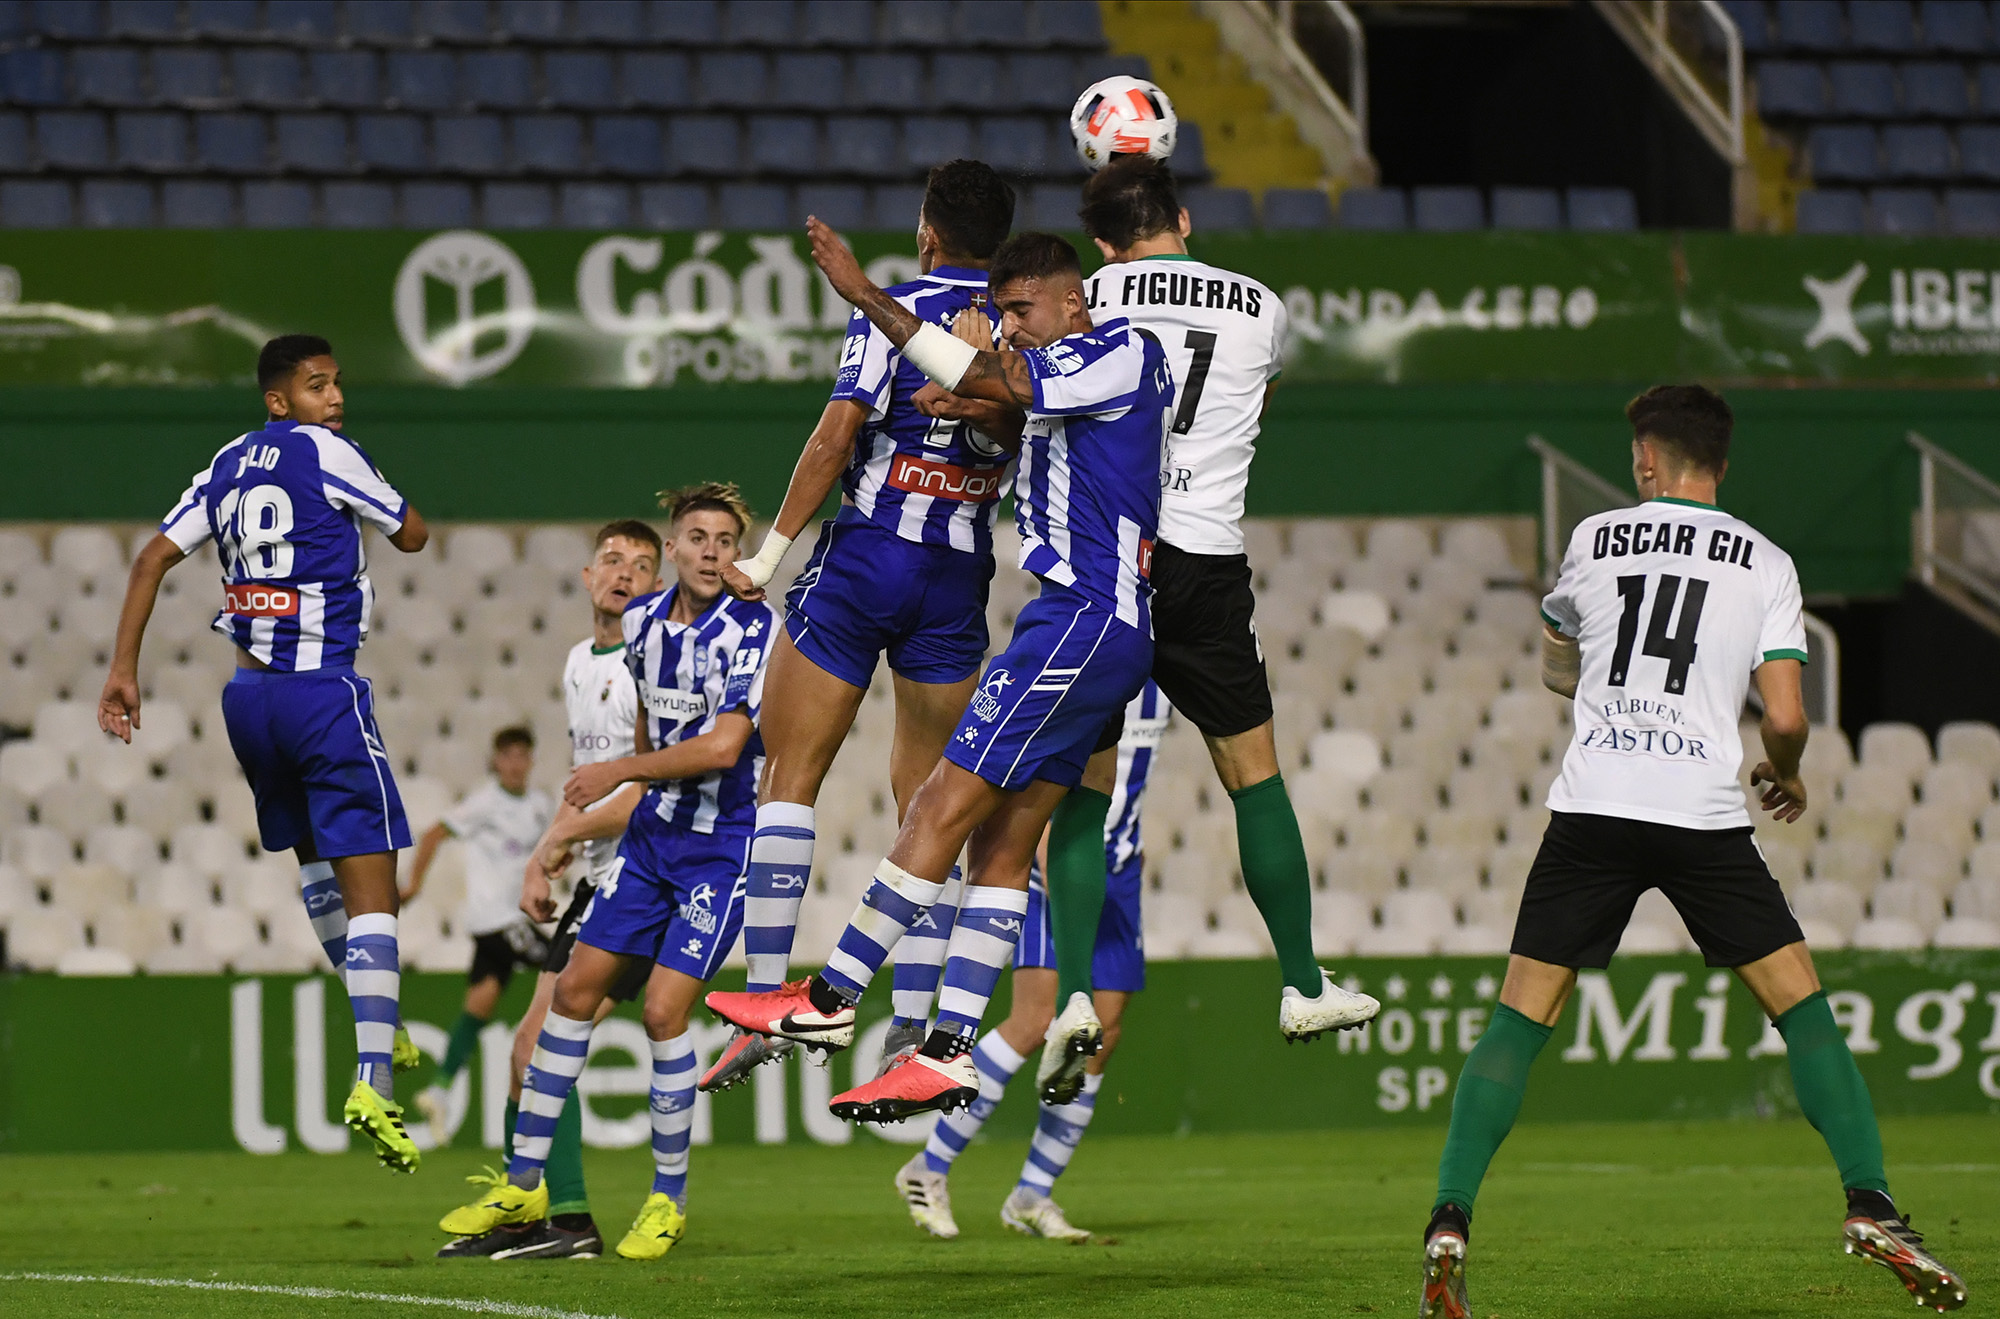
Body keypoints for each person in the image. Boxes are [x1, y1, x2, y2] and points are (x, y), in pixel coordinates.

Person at [1417, 386, 1967, 1319]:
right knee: (1802, 1007)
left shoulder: (1595, 536)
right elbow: (1786, 715)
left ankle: (1450, 1219)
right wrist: (1783, 770)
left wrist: (1586, 691)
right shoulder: (1767, 562)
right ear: (1721, 460)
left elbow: (1559, 657)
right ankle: (1871, 1201)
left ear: (1646, 462)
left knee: (1519, 1017)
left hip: (1596, 803)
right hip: (1703, 812)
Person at [705, 227, 1171, 1124]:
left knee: (936, 801)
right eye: (1002, 313)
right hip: (1094, 632)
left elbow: (1006, 380)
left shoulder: (1115, 346)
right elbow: (1004, 395)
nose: (1012, 327)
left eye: (1022, 310)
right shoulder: (1076, 367)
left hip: (1077, 625)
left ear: (1073, 299)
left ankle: (828, 1000)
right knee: (1001, 844)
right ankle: (945, 1052)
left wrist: (862, 291)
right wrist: (978, 402)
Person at [1038, 156, 1375, 1071]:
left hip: (1107, 557)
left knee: (1084, 780)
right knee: (1253, 775)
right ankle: (1302, 983)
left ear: (1104, 241)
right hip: (1207, 561)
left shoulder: (1090, 297)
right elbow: (1253, 401)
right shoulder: (1260, 305)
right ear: (1181, 218)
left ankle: (1071, 994)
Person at [698, 159, 1021, 1094]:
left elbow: (837, 435)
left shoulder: (901, 307)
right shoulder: (1017, 331)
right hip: (957, 575)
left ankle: (767, 1002)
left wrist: (767, 557)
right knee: (928, 805)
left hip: (867, 559)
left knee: (788, 778)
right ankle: (909, 1032)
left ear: (928, 232)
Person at [97, 333, 429, 1173]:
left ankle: (377, 1019)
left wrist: (122, 672)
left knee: (316, 860)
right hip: (322, 692)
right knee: (375, 885)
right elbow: (414, 534)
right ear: (280, 399)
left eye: (338, 384)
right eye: (318, 386)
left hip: (247, 701)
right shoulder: (328, 452)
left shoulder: (224, 463)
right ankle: (372, 1075)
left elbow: (150, 559)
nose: (336, 398)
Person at [442, 484, 776, 1263]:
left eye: (724, 541)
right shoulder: (642, 626)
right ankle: (527, 1182)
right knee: (571, 995)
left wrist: (614, 779)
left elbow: (725, 747)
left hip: (719, 848)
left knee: (664, 1013)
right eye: (695, 536)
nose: (709, 551)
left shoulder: (755, 628)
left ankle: (666, 1199)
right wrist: (605, 795)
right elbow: (643, 724)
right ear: (678, 542)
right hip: (653, 839)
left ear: (737, 554)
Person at [433, 520, 663, 1261]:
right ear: (587, 576)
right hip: (598, 878)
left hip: (647, 874)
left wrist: (564, 837)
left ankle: (563, 1218)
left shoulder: (654, 663)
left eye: (642, 564)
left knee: (538, 1045)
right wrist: (543, 856)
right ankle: (537, 1214)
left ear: (656, 585)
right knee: (523, 1052)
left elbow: (650, 790)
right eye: (612, 560)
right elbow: (584, 779)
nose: (625, 573)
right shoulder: (577, 664)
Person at [895, 682, 1168, 1243]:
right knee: (1036, 1021)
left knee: (1103, 1032)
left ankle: (1033, 1194)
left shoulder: (1160, 671)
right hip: (1058, 857)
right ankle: (928, 1167)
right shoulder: (1094, 648)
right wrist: (1041, 842)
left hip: (1118, 866)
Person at [403, 726, 553, 1136]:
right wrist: (414, 884)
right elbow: (434, 834)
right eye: (508, 755)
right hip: (498, 921)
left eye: (523, 754)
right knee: (566, 972)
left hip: (514, 920)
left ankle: (441, 1089)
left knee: (478, 1007)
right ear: (496, 761)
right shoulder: (485, 804)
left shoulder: (540, 805)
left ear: (531, 760)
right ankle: (551, 1076)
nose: (516, 763)